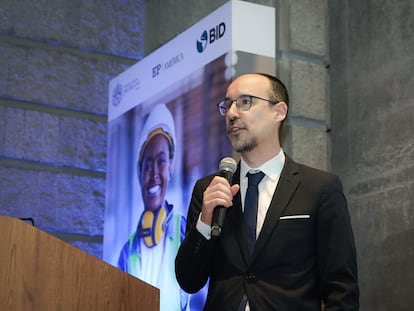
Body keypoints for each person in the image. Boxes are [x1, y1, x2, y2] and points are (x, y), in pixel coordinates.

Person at [175, 73, 359, 310]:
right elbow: (189, 281)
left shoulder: (319, 188)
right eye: (228, 104)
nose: (232, 113)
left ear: (279, 112)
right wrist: (204, 222)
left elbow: (342, 289)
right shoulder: (209, 189)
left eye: (245, 102)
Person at [118, 103, 188, 311]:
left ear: (171, 167)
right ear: (139, 174)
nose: (154, 173)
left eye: (161, 162)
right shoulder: (126, 251)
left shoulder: (188, 232)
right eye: (147, 165)